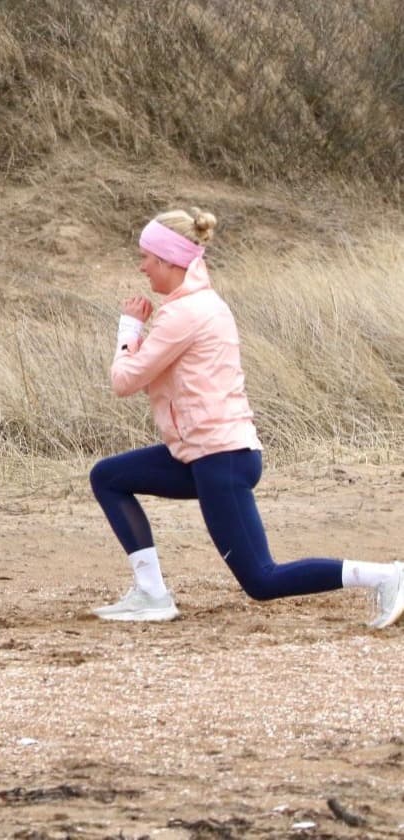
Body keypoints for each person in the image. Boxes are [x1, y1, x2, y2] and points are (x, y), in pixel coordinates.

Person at [89, 208, 404, 627]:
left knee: (261, 579)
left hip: (220, 459)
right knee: (108, 476)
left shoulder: (185, 313)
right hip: (205, 454)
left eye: (146, 257)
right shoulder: (199, 305)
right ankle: (151, 594)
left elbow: (124, 380)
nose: (141, 266)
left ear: (168, 260)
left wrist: (129, 328)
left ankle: (388, 576)